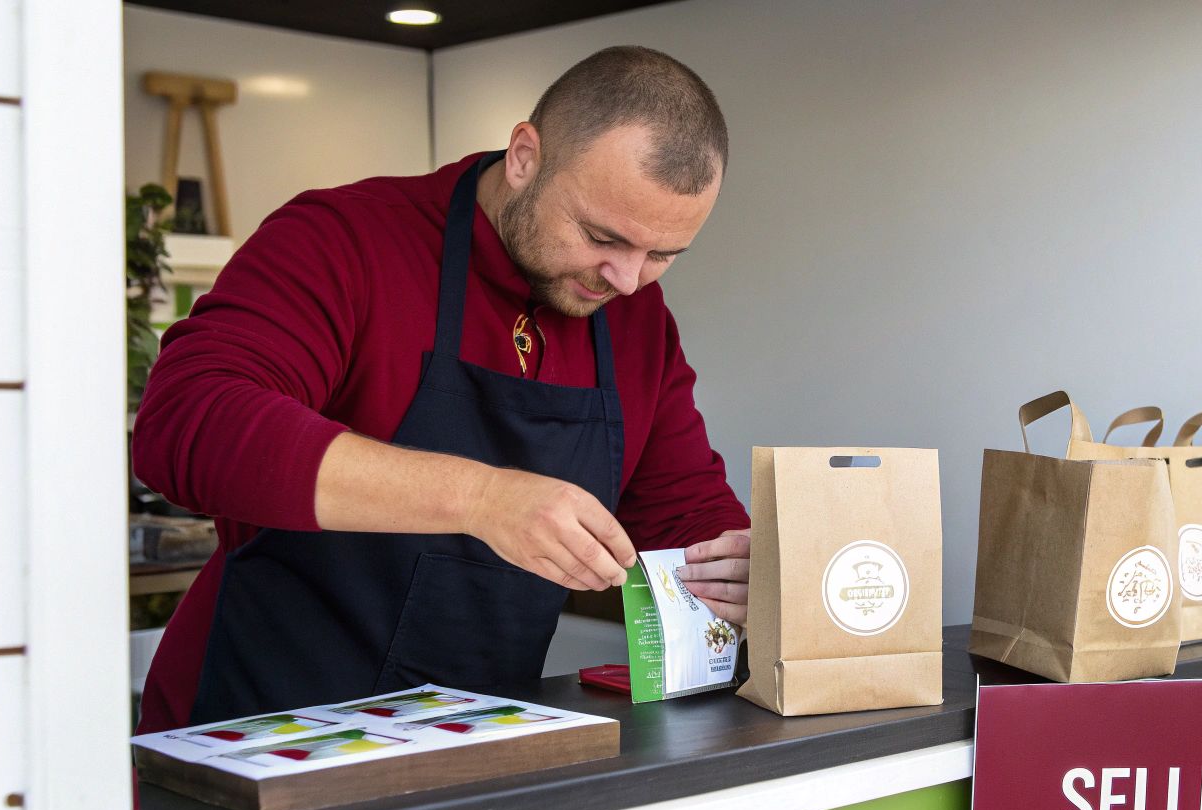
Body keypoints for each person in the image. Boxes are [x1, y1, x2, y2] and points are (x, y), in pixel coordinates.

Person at [132, 46, 750, 731]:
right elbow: (188, 421)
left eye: (662, 254)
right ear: (524, 156)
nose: (627, 279)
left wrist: (757, 565)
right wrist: (482, 498)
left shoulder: (635, 320)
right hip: (255, 731)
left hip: (472, 739)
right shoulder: (345, 241)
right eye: (602, 236)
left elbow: (680, 509)